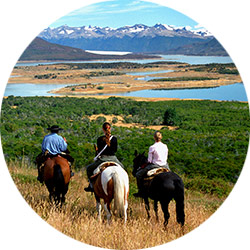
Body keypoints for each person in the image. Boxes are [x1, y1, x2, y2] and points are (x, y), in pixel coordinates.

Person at [84, 122, 124, 192]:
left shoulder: (99, 139)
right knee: (123, 168)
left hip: (103, 159)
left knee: (89, 169)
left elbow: (99, 150)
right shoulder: (114, 139)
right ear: (110, 128)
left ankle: (91, 186)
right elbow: (115, 150)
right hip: (113, 158)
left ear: (103, 129)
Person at [134, 131, 170, 197]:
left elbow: (149, 161)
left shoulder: (152, 147)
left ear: (154, 138)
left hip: (154, 165)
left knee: (138, 174)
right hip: (165, 165)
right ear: (161, 137)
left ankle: (140, 191)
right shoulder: (165, 146)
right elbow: (166, 157)